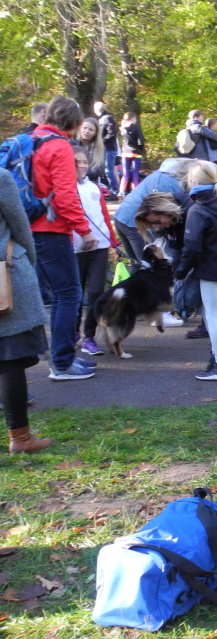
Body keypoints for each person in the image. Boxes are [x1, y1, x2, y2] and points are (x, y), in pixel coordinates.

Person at [31, 96, 98, 381]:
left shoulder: (33, 139)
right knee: (70, 294)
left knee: (59, 296)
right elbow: (65, 195)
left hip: (30, 226)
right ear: (74, 121)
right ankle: (62, 363)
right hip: (51, 230)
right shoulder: (58, 146)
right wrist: (83, 230)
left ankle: (62, 358)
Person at [0, 167, 52, 452]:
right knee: (9, 360)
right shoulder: (0, 177)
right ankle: (20, 437)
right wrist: (25, 264)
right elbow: (20, 227)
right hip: (4, 279)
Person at [178, 161, 217, 381]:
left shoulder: (198, 209)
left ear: (194, 181)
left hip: (210, 267)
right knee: (214, 315)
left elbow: (191, 246)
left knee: (211, 315)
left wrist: (181, 271)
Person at [72, 146, 118, 358]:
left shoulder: (93, 187)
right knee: (74, 293)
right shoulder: (64, 188)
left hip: (99, 246)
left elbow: (103, 217)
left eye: (84, 162)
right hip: (75, 248)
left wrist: (113, 242)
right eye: (76, 162)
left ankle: (89, 336)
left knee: (96, 293)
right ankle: (72, 333)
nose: (81, 166)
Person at [113, 158, 191, 266]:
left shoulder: (161, 174)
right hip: (136, 221)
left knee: (138, 265)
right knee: (150, 266)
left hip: (121, 216)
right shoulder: (173, 183)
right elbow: (174, 214)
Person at [119, 112, 146, 197]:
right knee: (135, 173)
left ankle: (121, 191)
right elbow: (140, 140)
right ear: (133, 118)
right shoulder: (136, 128)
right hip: (135, 152)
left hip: (125, 152)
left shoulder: (122, 128)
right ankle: (135, 192)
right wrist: (141, 149)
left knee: (125, 173)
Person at [76, 117, 109, 187]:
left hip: (92, 183)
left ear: (95, 133)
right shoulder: (73, 144)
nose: (87, 131)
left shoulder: (100, 149)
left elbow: (100, 169)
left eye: (91, 130)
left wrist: (84, 174)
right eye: (85, 128)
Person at [95, 102, 120, 192]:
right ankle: (111, 190)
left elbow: (112, 133)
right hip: (105, 148)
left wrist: (101, 141)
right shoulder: (102, 119)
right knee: (106, 171)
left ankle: (114, 191)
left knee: (109, 171)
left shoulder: (107, 118)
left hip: (109, 149)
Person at [202, 119, 217, 183]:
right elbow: (213, 146)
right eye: (216, 124)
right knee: (216, 177)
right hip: (214, 158)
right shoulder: (211, 134)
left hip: (210, 158)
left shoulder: (205, 133)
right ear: (213, 124)